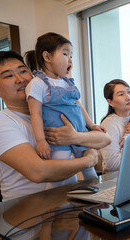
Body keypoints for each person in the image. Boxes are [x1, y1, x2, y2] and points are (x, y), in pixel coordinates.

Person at [0, 51, 110, 201]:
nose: (20, 79)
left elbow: (104, 139)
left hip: (69, 200)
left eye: (23, 71)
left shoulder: (53, 109)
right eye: (9, 76)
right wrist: (87, 161)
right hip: (28, 211)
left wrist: (75, 137)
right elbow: (38, 172)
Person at [24, 32, 104, 185]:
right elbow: (36, 114)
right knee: (63, 174)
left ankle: (97, 199)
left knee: (89, 169)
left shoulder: (67, 83)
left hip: (79, 132)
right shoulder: (37, 84)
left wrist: (92, 125)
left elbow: (79, 106)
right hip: (58, 138)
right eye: (66, 54)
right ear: (47, 57)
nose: (70, 60)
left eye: (71, 56)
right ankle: (62, 205)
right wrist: (41, 140)